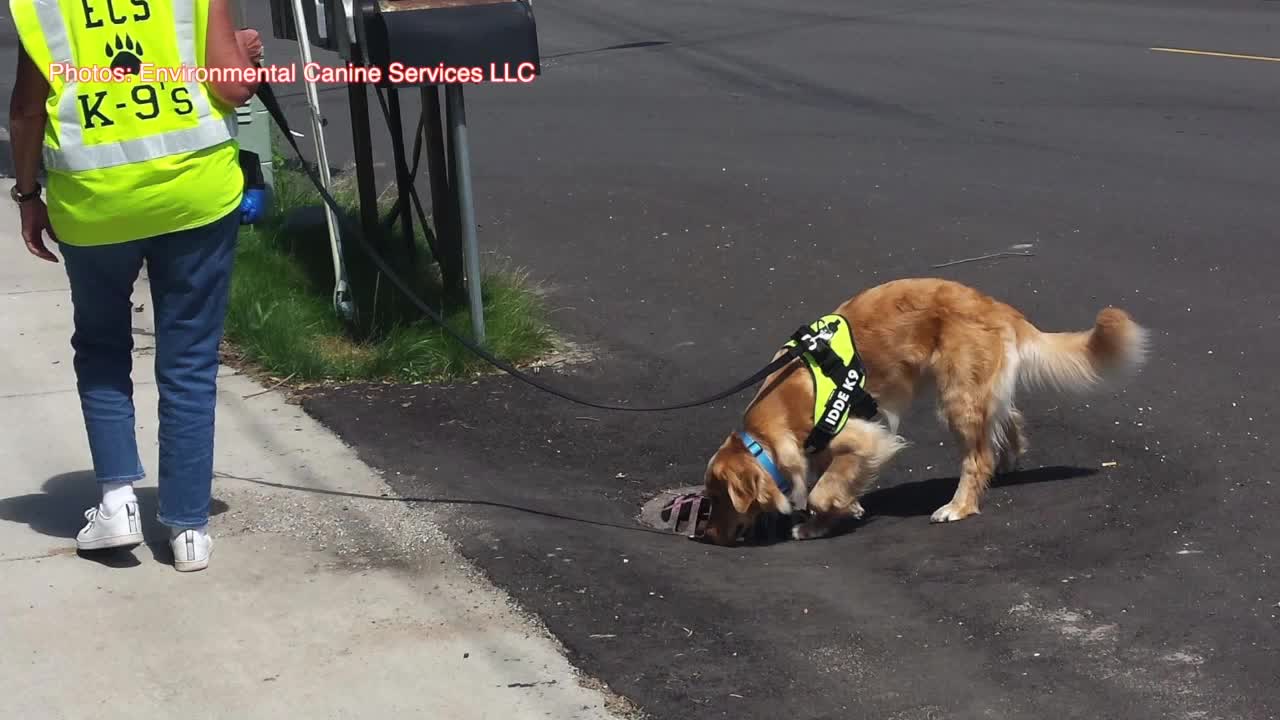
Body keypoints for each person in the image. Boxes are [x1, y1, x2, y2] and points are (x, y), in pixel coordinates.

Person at [8, 0, 265, 571]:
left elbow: (27, 111)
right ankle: (189, 527)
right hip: (196, 195)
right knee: (190, 358)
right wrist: (244, 55)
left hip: (94, 205)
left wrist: (28, 195)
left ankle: (118, 501)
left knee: (101, 347)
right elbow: (232, 86)